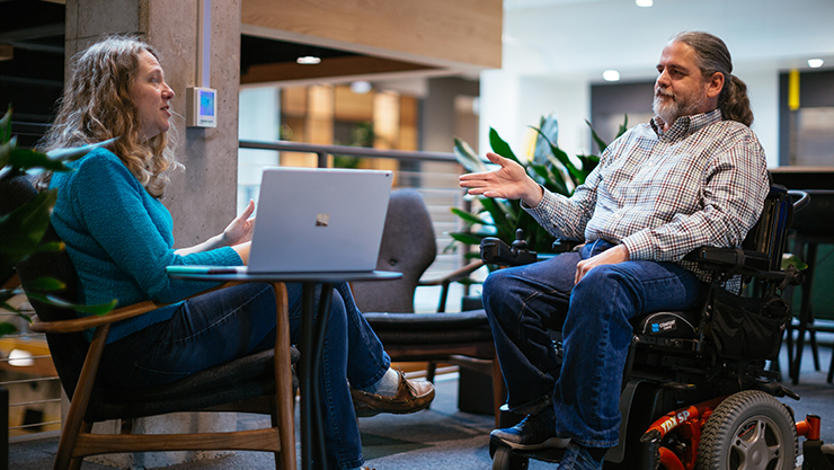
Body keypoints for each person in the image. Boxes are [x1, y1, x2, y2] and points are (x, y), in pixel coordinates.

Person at [40, 36, 433, 470]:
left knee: (320, 290)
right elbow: (162, 279)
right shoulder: (98, 170)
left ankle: (358, 423)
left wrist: (223, 242)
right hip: (140, 349)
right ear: (116, 92)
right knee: (313, 282)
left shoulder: (89, 165)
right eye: (155, 80)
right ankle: (371, 386)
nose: (169, 91)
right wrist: (252, 251)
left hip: (145, 332)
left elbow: (150, 263)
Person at [459, 31, 769, 470]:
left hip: (678, 269)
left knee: (605, 283)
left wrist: (626, 250)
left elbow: (723, 223)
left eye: (677, 72)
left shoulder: (735, 142)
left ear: (713, 84)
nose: (662, 79)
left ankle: (590, 443)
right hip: (603, 258)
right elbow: (578, 219)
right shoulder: (630, 142)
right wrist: (531, 192)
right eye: (660, 69)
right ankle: (542, 409)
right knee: (504, 289)